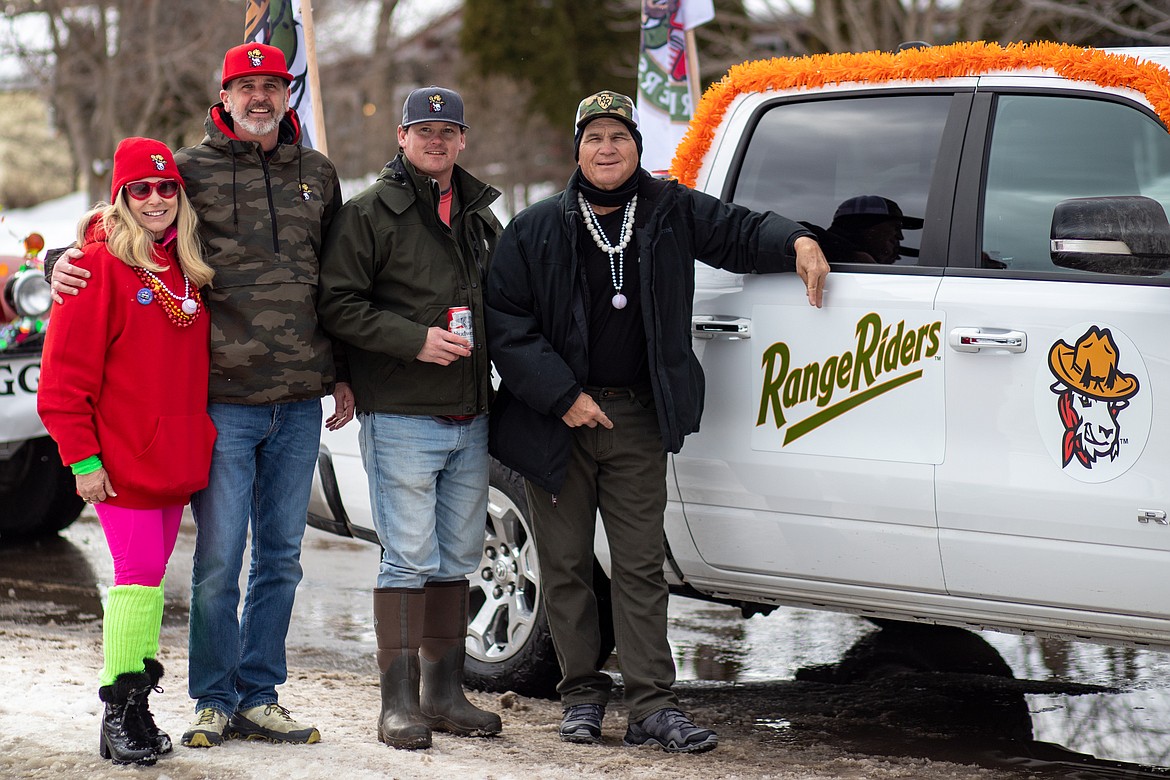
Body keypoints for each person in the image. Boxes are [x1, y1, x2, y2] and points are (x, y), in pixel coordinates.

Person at [484, 90, 830, 754]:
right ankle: (582, 696)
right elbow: (508, 326)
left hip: (637, 418)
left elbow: (740, 230)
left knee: (640, 565)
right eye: (595, 138)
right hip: (554, 422)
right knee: (564, 564)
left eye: (619, 136)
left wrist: (799, 239)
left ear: (637, 147)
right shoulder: (535, 229)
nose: (607, 148)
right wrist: (563, 396)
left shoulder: (671, 211)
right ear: (576, 149)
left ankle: (650, 705)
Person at [49, 43, 354, 749]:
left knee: (281, 557)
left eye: (271, 86)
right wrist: (59, 261)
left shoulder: (318, 174)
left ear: (288, 93)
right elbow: (119, 218)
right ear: (224, 93)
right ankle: (209, 699)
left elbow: (337, 281)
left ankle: (259, 694)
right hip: (221, 404)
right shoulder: (186, 170)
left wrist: (342, 369)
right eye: (244, 85)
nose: (258, 97)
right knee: (217, 560)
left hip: (297, 400)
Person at [317, 86, 503, 750]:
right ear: (400, 137)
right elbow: (335, 303)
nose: (435, 139)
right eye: (422, 129)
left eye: (447, 129)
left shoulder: (481, 216)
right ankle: (397, 706)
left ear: (462, 139)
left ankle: (446, 696)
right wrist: (412, 339)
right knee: (407, 560)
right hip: (401, 415)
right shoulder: (370, 214)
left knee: (457, 556)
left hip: (470, 415)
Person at [37, 137, 217, 766]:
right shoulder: (94, 268)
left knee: (147, 584)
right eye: (141, 188)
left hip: (175, 459)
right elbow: (61, 384)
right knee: (137, 584)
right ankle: (119, 712)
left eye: (167, 187)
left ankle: (138, 706)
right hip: (120, 464)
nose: (157, 199)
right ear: (121, 196)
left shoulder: (184, 267)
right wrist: (83, 462)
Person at [814, 195, 923, 265]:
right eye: (896, 228)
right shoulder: (818, 249)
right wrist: (854, 255)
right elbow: (802, 227)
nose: (900, 237)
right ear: (866, 227)